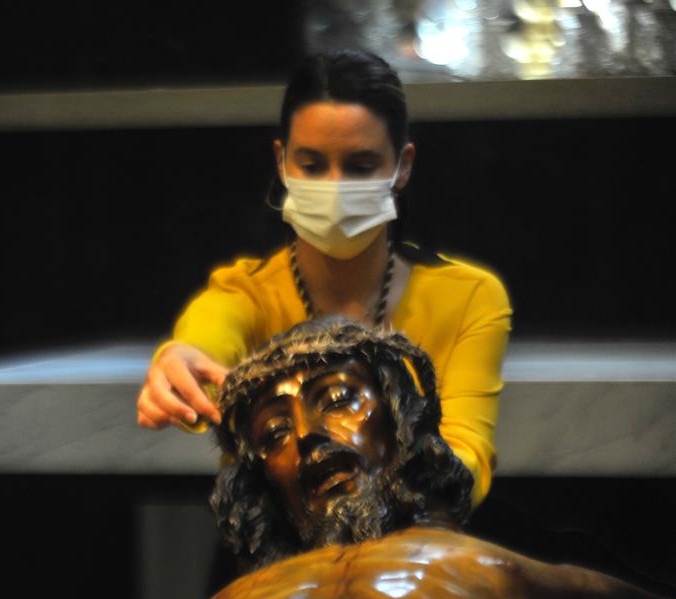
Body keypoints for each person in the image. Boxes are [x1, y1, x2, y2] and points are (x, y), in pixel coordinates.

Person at [0, 319, 674, 599]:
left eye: (339, 400)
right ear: (265, 479)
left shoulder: (494, 573)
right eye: (275, 431)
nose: (310, 437)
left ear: (399, 421)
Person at [136, 49, 511, 508]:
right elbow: (208, 338)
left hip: (417, 546)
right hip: (277, 559)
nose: (334, 187)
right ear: (282, 162)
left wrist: (404, 507)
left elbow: (467, 454)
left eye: (360, 166)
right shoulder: (246, 294)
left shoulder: (468, 298)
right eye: (312, 166)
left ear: (403, 166)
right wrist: (181, 362)